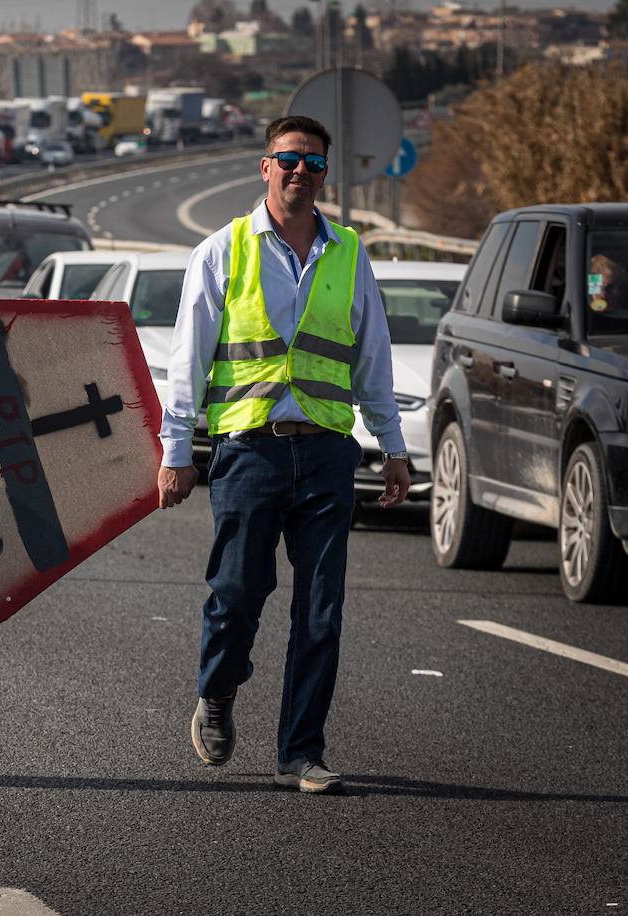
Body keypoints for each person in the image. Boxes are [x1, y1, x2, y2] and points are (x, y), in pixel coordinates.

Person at [158, 115, 410, 795]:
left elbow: (372, 358)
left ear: (328, 174)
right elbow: (188, 361)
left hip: (328, 452)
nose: (302, 172)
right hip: (247, 449)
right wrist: (175, 450)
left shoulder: (350, 254)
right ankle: (217, 691)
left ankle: (301, 752)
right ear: (265, 167)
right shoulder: (222, 250)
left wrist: (392, 446)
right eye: (289, 160)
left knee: (321, 610)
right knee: (239, 593)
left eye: (314, 164)